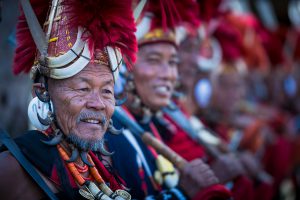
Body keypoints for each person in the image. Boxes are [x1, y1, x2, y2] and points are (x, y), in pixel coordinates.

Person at [0, 0, 137, 199]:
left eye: (106, 91)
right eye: (83, 88)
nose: (97, 103)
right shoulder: (11, 172)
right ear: (42, 92)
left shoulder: (104, 166)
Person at [106, 0, 232, 199]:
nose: (168, 74)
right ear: (123, 68)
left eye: (173, 62)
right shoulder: (108, 136)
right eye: (154, 60)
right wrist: (182, 193)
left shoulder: (154, 124)